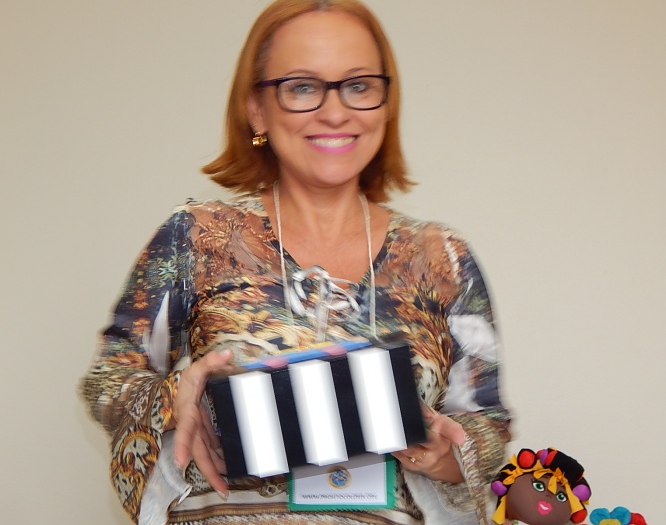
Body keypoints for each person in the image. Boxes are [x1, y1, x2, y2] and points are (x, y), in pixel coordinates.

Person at [79, 1, 511, 524]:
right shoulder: (196, 236)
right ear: (257, 110)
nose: (335, 112)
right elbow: (106, 380)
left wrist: (450, 454)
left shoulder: (441, 258)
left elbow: (488, 422)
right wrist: (175, 394)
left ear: (386, 103)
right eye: (303, 87)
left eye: (358, 85)